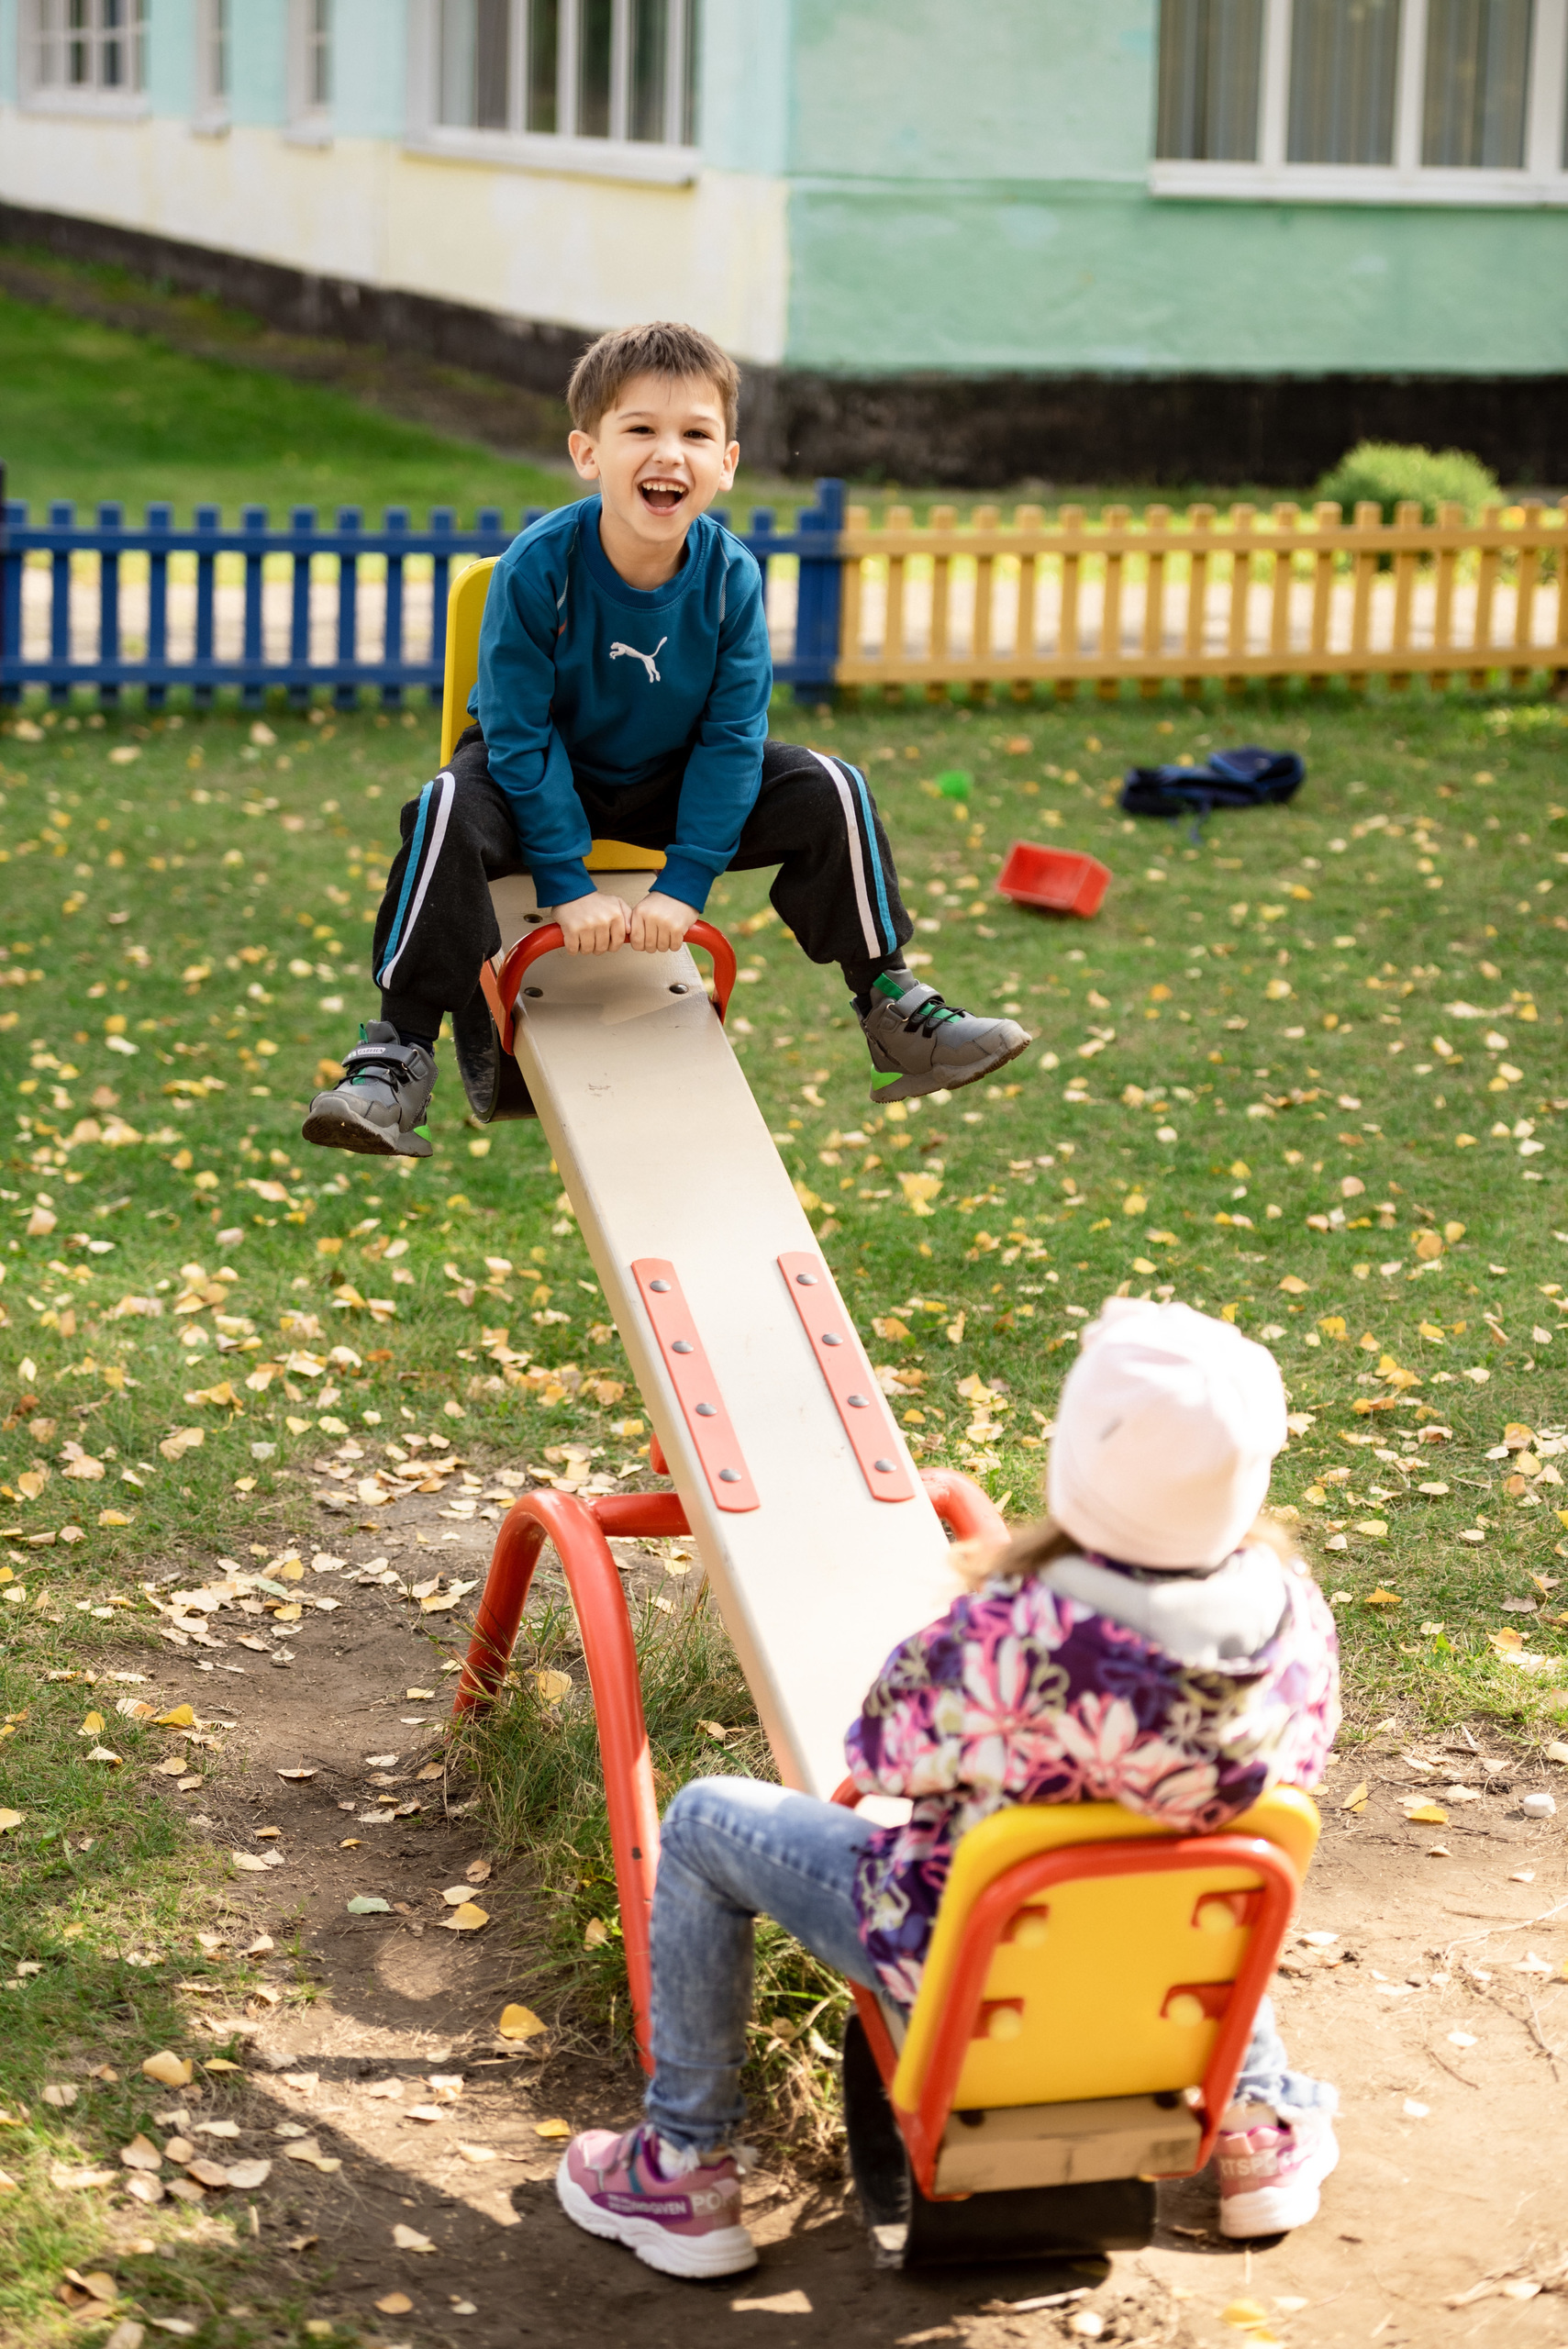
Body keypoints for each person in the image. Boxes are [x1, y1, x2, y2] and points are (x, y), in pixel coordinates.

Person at [554, 1299, 1342, 2280]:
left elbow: (880, 1752)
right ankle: (1259, 2122)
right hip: (1163, 1958)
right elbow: (1285, 1770)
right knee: (1189, 1854)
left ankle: (677, 2162)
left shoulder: (1011, 1633)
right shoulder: (1291, 1621)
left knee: (709, 1818)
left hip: (962, 1947)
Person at [302, 319, 1029, 1158]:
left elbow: (730, 740)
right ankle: (393, 1058)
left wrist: (682, 888)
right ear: (588, 452)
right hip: (535, 772)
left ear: (727, 461)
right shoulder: (538, 567)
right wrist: (570, 886)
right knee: (445, 806)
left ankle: (893, 1006)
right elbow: (517, 731)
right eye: (639, 429)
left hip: (671, 777)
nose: (667, 454)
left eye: (694, 434)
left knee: (827, 786)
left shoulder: (730, 577)